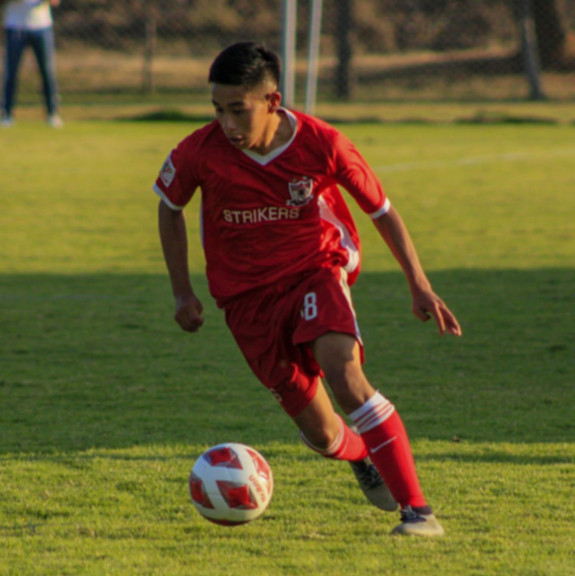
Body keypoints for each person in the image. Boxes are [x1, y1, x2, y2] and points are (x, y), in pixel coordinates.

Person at [153, 42, 461, 537]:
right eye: (218, 110)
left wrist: (418, 284)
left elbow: (380, 210)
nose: (227, 124)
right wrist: (182, 292)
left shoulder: (323, 143)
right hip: (245, 299)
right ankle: (362, 456)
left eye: (239, 110)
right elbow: (169, 206)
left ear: (272, 102)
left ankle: (419, 513)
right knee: (321, 433)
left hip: (315, 269)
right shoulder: (199, 151)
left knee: (346, 377)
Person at [0, 0, 62, 127]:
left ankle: (52, 114)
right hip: (15, 26)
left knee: (47, 71)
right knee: (11, 72)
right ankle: (6, 114)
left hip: (41, 27)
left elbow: (55, 2)